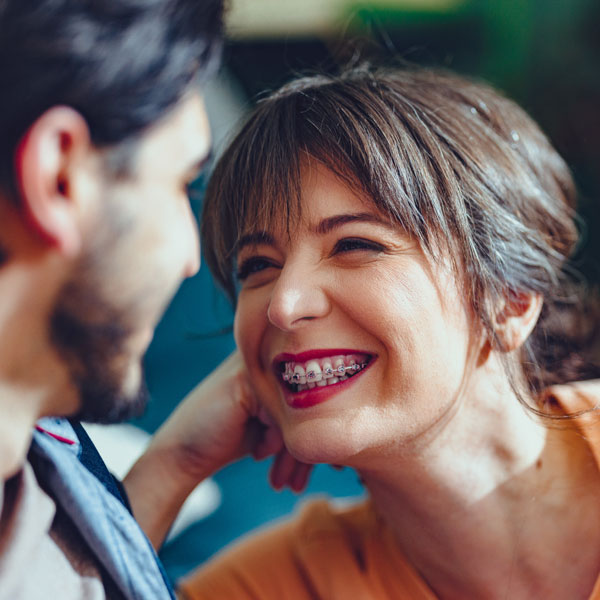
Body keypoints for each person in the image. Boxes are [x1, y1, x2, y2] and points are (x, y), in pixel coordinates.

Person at [179, 65, 600, 599]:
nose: (283, 306)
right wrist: (173, 465)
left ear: (509, 301)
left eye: (355, 245)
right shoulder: (270, 586)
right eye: (258, 265)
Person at [0, 2, 305, 598]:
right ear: (59, 176)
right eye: (180, 186)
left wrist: (174, 464)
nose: (191, 258)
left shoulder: (37, 484)